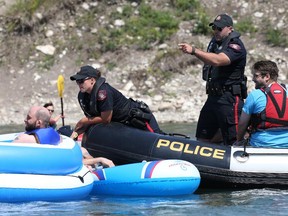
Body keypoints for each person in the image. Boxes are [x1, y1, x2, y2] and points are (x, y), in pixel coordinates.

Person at [178, 13, 247, 145]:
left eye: (219, 28)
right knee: (203, 137)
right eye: (214, 27)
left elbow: (218, 60)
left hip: (229, 99)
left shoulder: (236, 46)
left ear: (230, 29)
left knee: (233, 140)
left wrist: (194, 51)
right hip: (213, 97)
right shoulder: (215, 43)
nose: (216, 31)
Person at [69, 65, 163, 140]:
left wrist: (83, 121)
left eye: (81, 81)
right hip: (121, 124)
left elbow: (106, 119)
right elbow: (92, 118)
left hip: (138, 118)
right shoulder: (82, 96)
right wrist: (76, 132)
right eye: (77, 81)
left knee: (158, 137)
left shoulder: (103, 92)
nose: (79, 84)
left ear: (92, 80)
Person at [237, 60, 288, 148]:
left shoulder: (255, 95)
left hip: (261, 144)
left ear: (267, 76)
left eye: (256, 76)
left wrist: (239, 140)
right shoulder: (287, 92)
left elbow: (242, 124)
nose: (253, 79)